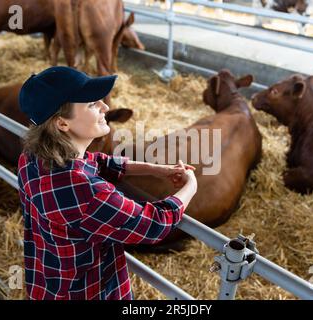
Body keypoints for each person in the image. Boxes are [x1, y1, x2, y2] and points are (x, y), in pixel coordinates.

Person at [17, 66, 198, 300]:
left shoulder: (32, 157)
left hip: (47, 282)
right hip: (88, 292)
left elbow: (97, 161)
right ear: (62, 123)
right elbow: (154, 224)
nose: (106, 107)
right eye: (92, 104)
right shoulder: (86, 191)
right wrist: (190, 185)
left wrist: (155, 170)